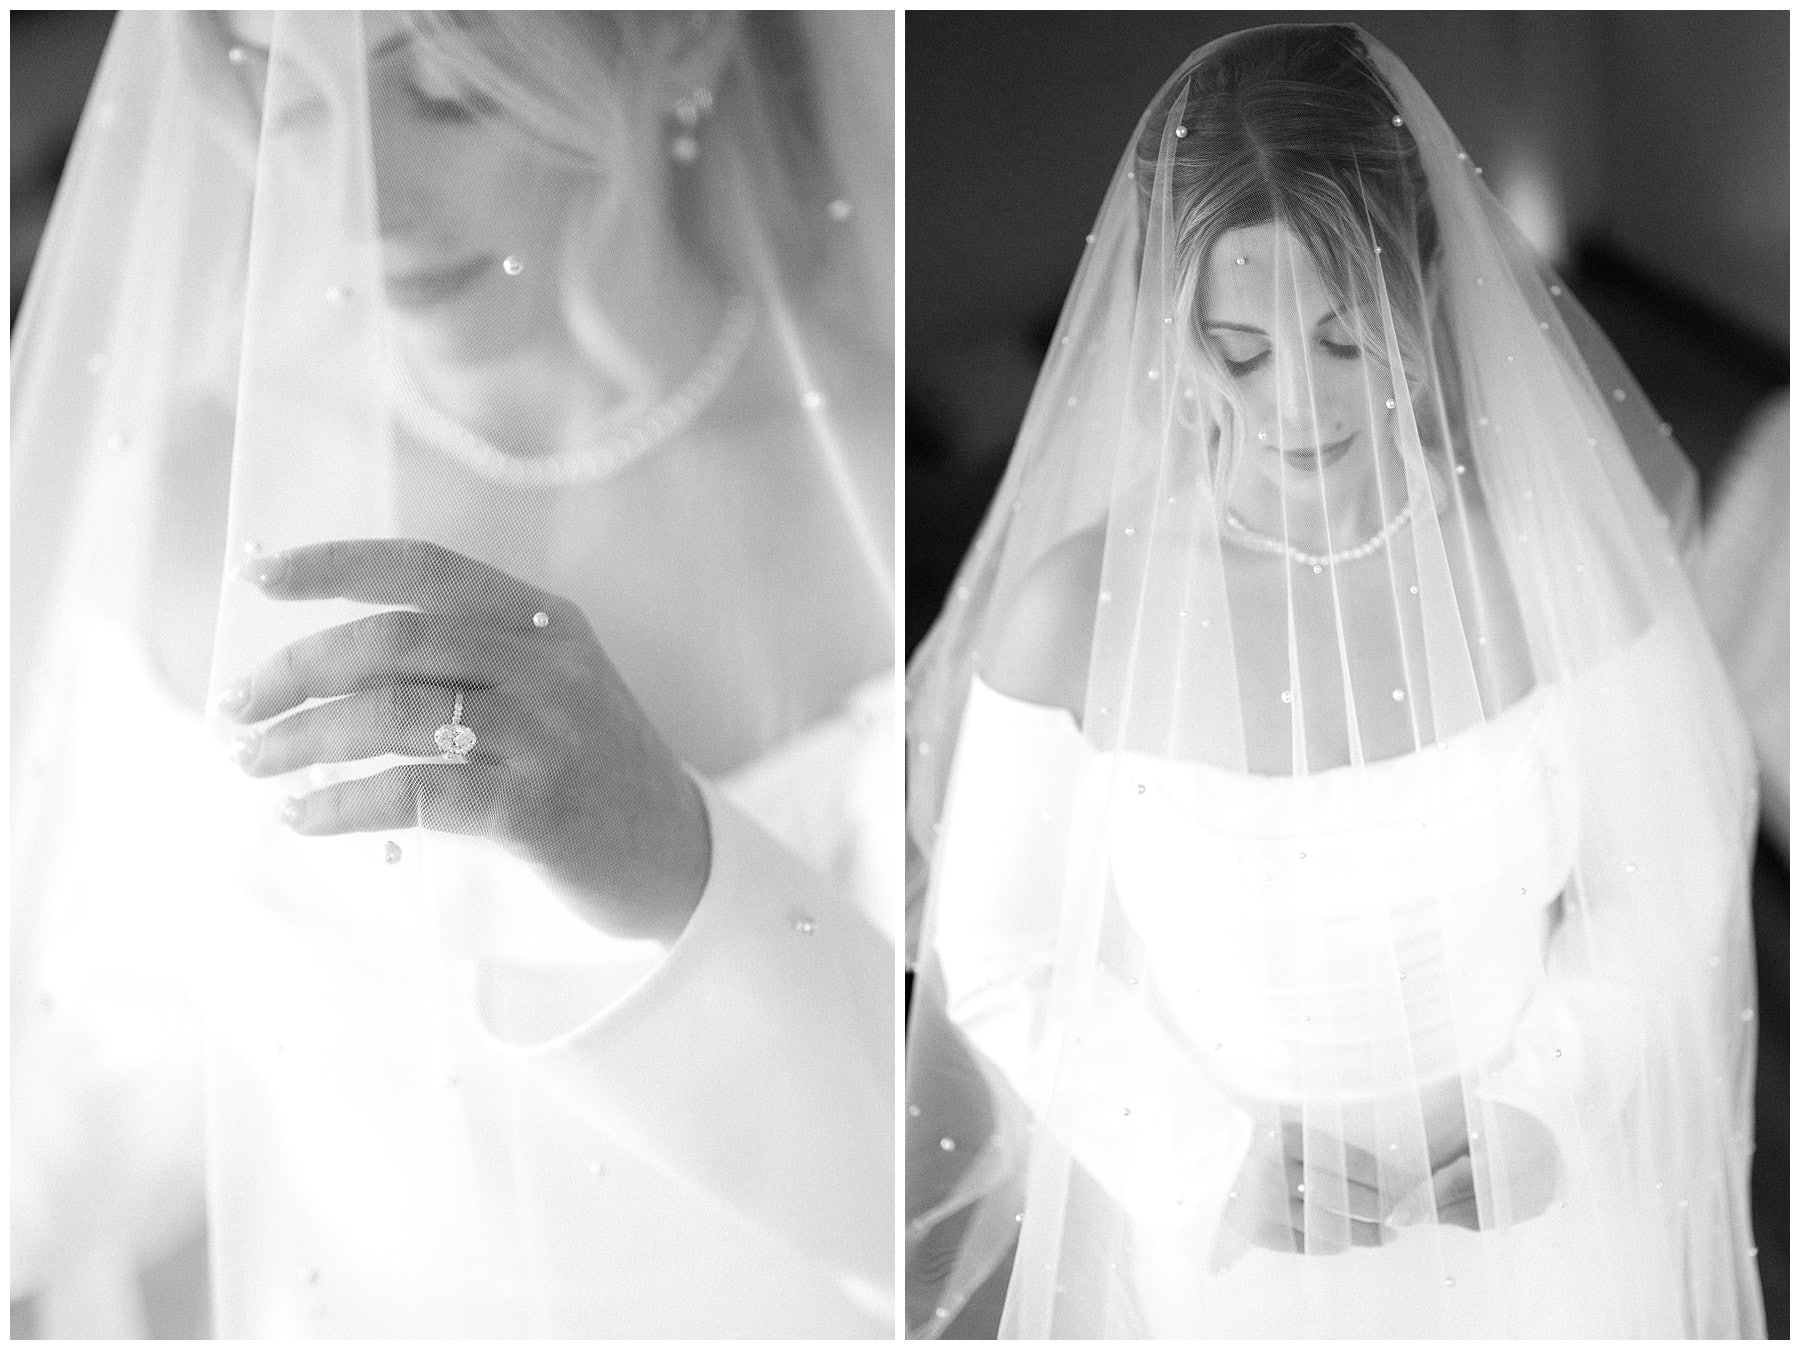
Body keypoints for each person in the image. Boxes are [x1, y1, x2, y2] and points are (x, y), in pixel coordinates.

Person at [12, 10, 894, 1338]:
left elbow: (956, 1163)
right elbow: (137, 1040)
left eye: (444, 90)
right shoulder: (202, 487)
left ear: (684, 40)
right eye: (286, 90)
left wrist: (683, 862)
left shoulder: (874, 508)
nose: (353, 195)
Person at [905, 24, 1763, 1338]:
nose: (1299, 400)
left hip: (1531, 1217)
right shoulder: (1078, 611)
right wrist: (1204, 1161)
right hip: (1235, 1254)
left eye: (1347, 336)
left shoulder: (1551, 570)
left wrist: (1550, 1094)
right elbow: (1004, 953)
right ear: (1168, 325)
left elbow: (1679, 859)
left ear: (1427, 286)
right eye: (1240, 348)